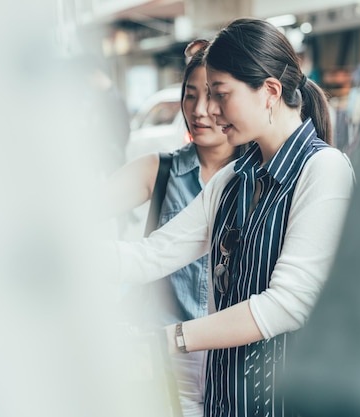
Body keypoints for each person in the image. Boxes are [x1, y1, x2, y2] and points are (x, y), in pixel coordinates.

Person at [109, 18, 355, 417]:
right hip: (224, 404)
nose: (209, 110)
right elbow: (152, 255)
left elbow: (288, 304)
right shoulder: (232, 180)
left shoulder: (325, 170)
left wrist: (168, 339)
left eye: (220, 94)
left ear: (270, 92)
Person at [106, 39, 242, 417]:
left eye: (214, 96)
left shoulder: (258, 178)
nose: (199, 111)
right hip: (165, 364)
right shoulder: (159, 170)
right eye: (190, 95)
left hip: (235, 368)